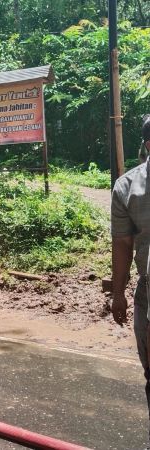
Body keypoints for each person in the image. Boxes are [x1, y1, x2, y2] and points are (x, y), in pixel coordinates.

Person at [111, 115, 150, 443]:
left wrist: (119, 293)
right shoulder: (127, 188)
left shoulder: (128, 186)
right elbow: (123, 244)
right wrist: (120, 293)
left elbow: (123, 245)